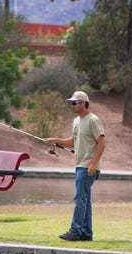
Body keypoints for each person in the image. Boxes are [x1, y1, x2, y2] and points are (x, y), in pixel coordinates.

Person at [44, 91, 105, 242]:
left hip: (88, 167)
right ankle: (86, 233)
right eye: (71, 103)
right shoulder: (76, 121)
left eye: (74, 103)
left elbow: (102, 142)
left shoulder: (93, 120)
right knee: (85, 200)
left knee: (80, 198)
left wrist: (93, 163)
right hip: (80, 165)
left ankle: (75, 230)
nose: (71, 105)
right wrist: (55, 140)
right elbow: (73, 142)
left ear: (84, 103)